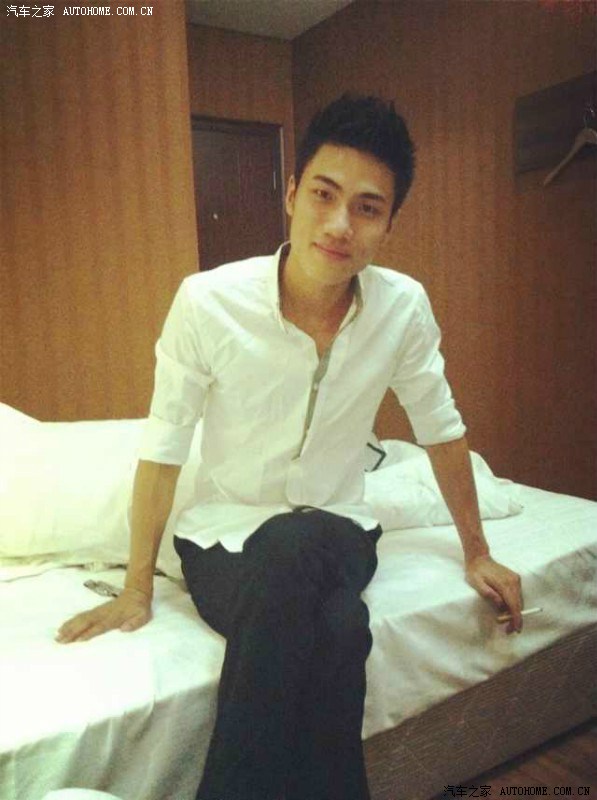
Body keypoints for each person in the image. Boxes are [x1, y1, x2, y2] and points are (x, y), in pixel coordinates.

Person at [57, 93, 523, 800]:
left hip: (340, 533)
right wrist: (136, 586)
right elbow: (163, 446)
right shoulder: (207, 302)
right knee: (338, 627)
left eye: (367, 208)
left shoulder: (402, 308)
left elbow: (440, 427)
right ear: (292, 194)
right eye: (324, 195)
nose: (339, 224)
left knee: (300, 541)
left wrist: (477, 550)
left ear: (388, 224)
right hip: (222, 543)